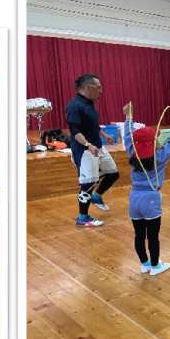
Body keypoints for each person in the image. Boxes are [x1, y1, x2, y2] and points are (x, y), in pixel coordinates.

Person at [123, 102, 170, 276]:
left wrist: (128, 117)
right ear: (153, 141)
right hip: (151, 199)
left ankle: (145, 264)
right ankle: (156, 266)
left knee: (139, 235)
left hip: (134, 199)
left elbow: (128, 137)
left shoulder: (132, 153)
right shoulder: (160, 157)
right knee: (153, 236)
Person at [65, 73, 118, 227]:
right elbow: (75, 132)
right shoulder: (74, 106)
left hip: (97, 146)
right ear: (88, 87)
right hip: (84, 151)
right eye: (99, 87)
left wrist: (104, 134)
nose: (101, 90)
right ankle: (83, 217)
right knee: (88, 183)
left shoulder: (89, 103)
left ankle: (96, 196)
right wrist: (88, 144)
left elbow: (91, 125)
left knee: (113, 174)